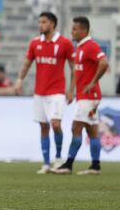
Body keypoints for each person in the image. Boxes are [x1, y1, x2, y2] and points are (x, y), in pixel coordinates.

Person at [14, 12, 75, 174]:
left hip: (56, 92)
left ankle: (59, 158)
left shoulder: (64, 43)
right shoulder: (35, 43)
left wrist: (71, 89)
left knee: (56, 124)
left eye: (44, 22)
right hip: (39, 92)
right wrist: (20, 79)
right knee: (43, 126)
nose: (40, 25)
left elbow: (73, 67)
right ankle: (46, 163)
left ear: (52, 24)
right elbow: (27, 63)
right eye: (39, 22)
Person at [53, 17, 109, 175]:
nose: (72, 31)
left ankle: (68, 165)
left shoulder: (90, 46)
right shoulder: (80, 47)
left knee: (75, 127)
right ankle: (95, 166)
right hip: (86, 96)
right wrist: (72, 91)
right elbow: (77, 72)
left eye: (75, 29)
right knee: (92, 131)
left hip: (89, 97)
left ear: (84, 31)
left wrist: (93, 82)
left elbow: (104, 63)